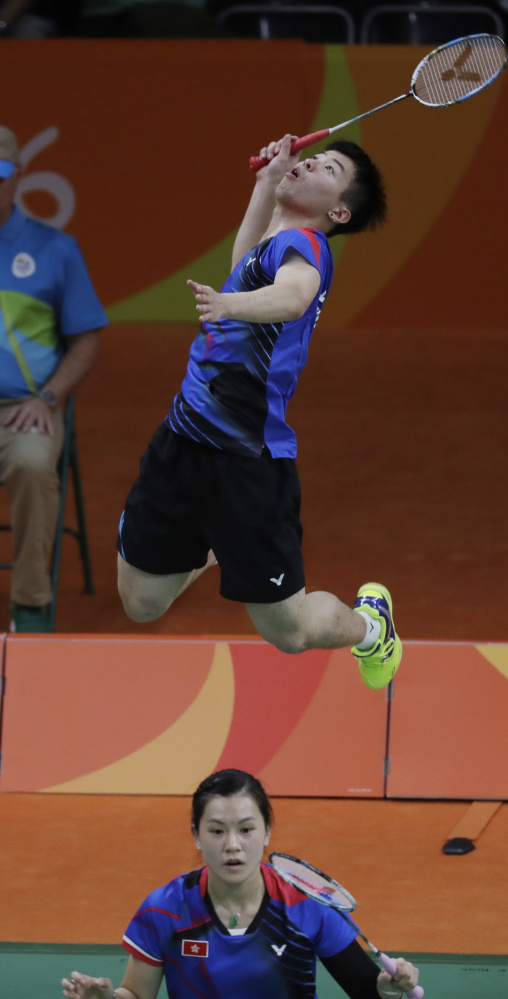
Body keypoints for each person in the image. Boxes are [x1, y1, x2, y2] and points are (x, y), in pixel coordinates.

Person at [117, 134, 400, 690]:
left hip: (247, 461)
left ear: (338, 211)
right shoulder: (274, 240)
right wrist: (268, 180)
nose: (313, 161)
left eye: (330, 168)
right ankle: (218, 541)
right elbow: (241, 262)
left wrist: (229, 305)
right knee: (141, 603)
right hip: (181, 440)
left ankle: (371, 627)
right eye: (317, 155)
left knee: (288, 632)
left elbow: (293, 296)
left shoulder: (310, 249)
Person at [61, 768, 421, 999]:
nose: (232, 845)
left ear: (267, 832)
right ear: (197, 836)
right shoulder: (165, 907)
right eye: (217, 831)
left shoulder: (305, 903)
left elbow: (368, 992)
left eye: (246, 830)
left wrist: (389, 989)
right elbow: (137, 996)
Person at [0, 124, 107, 632]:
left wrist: (48, 397)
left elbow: (87, 339)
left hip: (23, 408)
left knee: (31, 461)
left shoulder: (56, 250)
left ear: (17, 178)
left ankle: (30, 603)